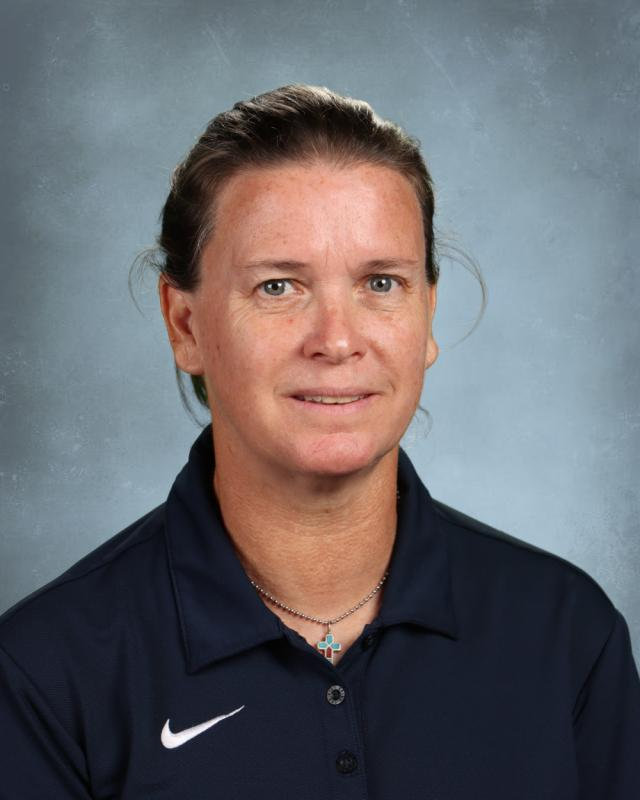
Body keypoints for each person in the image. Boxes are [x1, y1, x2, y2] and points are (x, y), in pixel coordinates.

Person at [0, 84, 638, 799]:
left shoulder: (566, 634)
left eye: (381, 283)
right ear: (185, 325)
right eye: (278, 287)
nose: (336, 341)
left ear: (428, 314)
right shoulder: (43, 674)